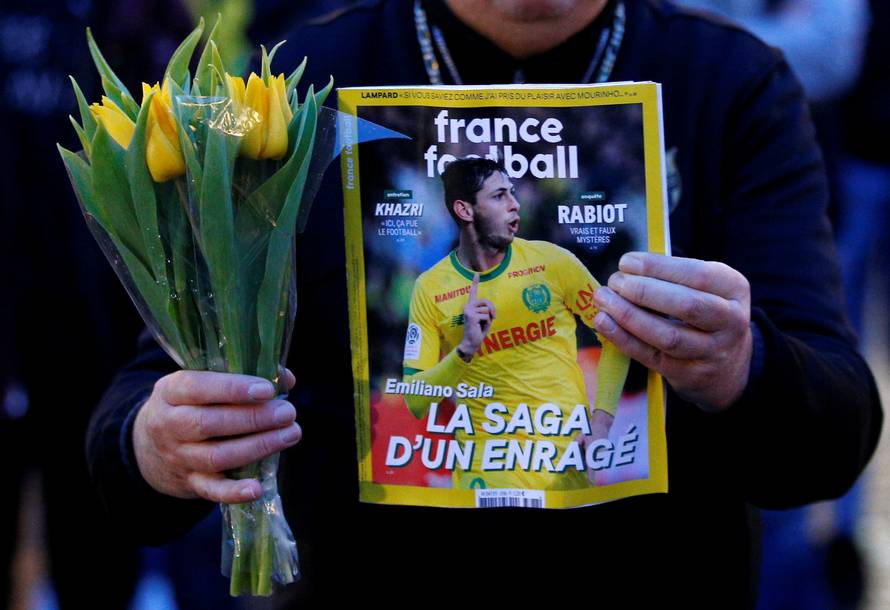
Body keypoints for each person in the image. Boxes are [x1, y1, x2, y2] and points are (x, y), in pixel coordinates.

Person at [88, 0, 883, 605]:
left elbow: (834, 435)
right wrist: (160, 446)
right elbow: (138, 414)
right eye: (496, 195)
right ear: (464, 209)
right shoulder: (288, 87)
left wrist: (741, 366)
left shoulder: (733, 86)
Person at [401, 157, 630, 489]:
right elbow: (416, 401)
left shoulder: (553, 261)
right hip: (481, 478)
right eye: (499, 196)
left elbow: (616, 335)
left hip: (563, 475)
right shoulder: (429, 287)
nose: (515, 204)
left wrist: (602, 421)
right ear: (465, 210)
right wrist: (465, 350)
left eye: (512, 193)